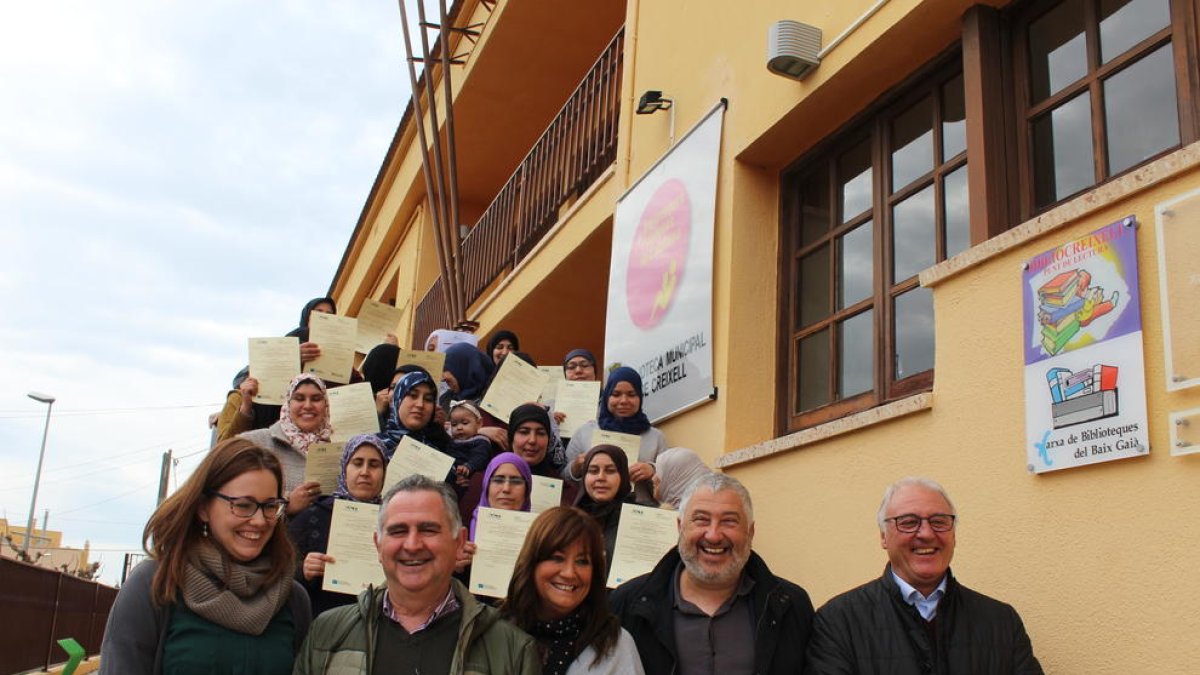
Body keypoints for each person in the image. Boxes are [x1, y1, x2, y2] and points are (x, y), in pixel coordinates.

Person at [99, 439, 311, 674]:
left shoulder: (293, 599)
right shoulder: (155, 584)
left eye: (270, 506)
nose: (260, 520)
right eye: (242, 505)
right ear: (203, 507)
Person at [293, 475, 540, 674]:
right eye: (398, 531)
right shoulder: (326, 633)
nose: (412, 545)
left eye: (428, 529)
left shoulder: (513, 649)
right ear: (378, 545)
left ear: (459, 542)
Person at [805, 477, 1044, 674]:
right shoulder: (838, 621)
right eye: (908, 522)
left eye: (939, 521)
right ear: (883, 537)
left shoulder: (1001, 621)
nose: (927, 534)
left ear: (954, 535)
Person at [610, 473, 814, 675]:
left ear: (750, 532)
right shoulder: (627, 605)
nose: (714, 535)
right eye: (701, 520)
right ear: (680, 527)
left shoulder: (791, 607)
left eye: (729, 521)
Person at [500, 507, 645, 675]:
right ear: (532, 563)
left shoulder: (615, 644)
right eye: (557, 558)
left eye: (582, 561)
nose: (569, 573)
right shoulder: (495, 633)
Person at [287, 434, 389, 617]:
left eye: (374, 465)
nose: (365, 472)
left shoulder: (394, 519)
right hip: (326, 626)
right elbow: (277, 575)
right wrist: (303, 571)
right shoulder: (313, 516)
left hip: (381, 624)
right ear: (344, 468)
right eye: (357, 463)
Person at [564, 367, 666, 505]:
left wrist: (652, 470)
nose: (624, 400)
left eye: (631, 394)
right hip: (593, 513)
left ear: (640, 398)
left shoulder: (655, 437)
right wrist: (575, 467)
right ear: (606, 397)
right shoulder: (585, 432)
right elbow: (563, 477)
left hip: (638, 514)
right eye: (616, 394)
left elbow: (670, 480)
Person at [239, 373, 329, 515]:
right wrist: (287, 507)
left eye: (316, 399)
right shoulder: (255, 442)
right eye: (299, 398)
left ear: (326, 404)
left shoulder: (340, 448)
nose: (308, 405)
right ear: (288, 403)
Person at [573, 445, 634, 564]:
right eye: (593, 471)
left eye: (610, 471)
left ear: (623, 476)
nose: (601, 477)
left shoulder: (637, 518)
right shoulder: (570, 520)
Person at [379, 369, 453, 458]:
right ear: (398, 400)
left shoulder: (440, 455)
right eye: (413, 395)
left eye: (428, 399)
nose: (420, 405)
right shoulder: (371, 446)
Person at [468, 452, 533, 540]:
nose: (506, 489)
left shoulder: (539, 538)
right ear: (487, 486)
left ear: (527, 489)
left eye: (516, 481)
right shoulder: (461, 537)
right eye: (498, 480)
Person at [447, 400, 492, 489]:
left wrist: (469, 466)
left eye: (465, 423)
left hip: (468, 479)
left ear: (479, 423)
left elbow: (480, 457)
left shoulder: (480, 441)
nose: (459, 427)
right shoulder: (452, 441)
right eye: (454, 424)